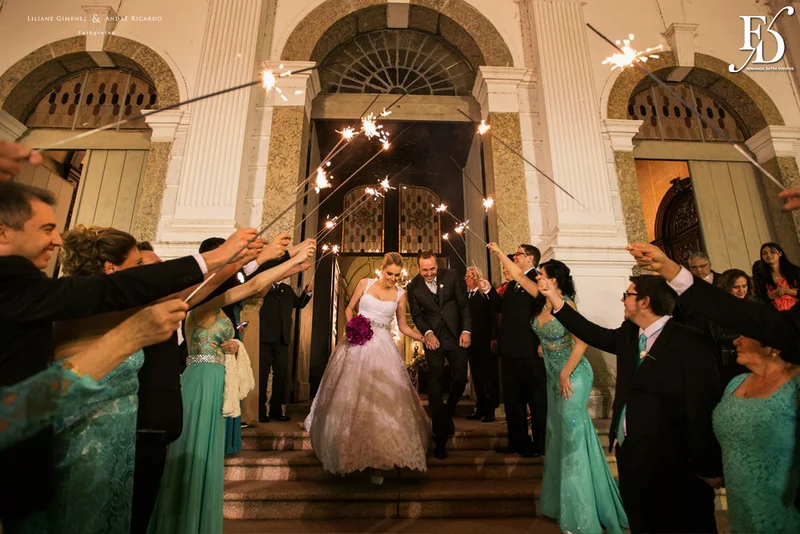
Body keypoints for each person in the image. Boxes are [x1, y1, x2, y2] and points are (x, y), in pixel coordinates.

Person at [0, 180, 262, 529]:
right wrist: (129, 336)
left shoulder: (34, 292)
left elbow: (134, 289)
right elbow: (18, 407)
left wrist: (226, 261)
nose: (57, 239)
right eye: (47, 228)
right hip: (80, 445)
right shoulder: (22, 291)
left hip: (113, 443)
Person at [148, 235, 313, 534]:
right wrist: (283, 257)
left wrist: (289, 265)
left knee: (209, 454)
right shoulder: (200, 302)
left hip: (214, 379)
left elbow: (252, 286)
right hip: (201, 383)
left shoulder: (213, 303)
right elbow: (248, 284)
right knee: (194, 453)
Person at [546, 273, 722, 533]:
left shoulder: (689, 341)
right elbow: (593, 334)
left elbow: (701, 404)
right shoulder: (630, 333)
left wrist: (708, 464)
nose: (622, 299)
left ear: (644, 301)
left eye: (628, 295)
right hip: (631, 453)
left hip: (672, 457)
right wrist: (554, 299)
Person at [486, 246, 628, 533]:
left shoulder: (567, 304)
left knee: (572, 436)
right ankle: (564, 500)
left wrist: (564, 371)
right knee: (559, 437)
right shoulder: (542, 300)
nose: (537, 278)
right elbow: (517, 274)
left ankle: (583, 511)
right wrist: (499, 252)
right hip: (553, 375)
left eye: (542, 275)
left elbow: (582, 341)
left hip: (572, 375)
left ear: (555, 280)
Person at [304, 252, 430, 483]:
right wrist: (353, 324)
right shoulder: (365, 283)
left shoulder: (401, 294)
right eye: (389, 273)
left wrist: (423, 338)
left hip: (382, 344)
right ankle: (346, 454)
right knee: (350, 396)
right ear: (382, 269)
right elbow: (349, 308)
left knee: (382, 400)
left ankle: (379, 460)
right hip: (356, 341)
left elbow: (402, 326)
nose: (392, 278)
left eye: (396, 275)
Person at [0, 299, 187, 453]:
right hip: (83, 434)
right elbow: (17, 412)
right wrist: (129, 336)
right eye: (138, 262)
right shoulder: (71, 315)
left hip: (122, 434)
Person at [712, 336, 800, 533]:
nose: (735, 341)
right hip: (740, 505)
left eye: (745, 335)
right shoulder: (736, 382)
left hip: (784, 506)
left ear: (771, 345)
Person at [482, 244, 546, 458]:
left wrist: (542, 341)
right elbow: (501, 307)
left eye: (518, 254)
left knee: (536, 400)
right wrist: (489, 290)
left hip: (529, 350)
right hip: (509, 351)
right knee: (512, 401)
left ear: (530, 258)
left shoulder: (537, 280)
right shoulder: (512, 285)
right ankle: (517, 441)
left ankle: (539, 443)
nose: (514, 257)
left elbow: (543, 312)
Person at [406, 250, 471, 459]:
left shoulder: (452, 276)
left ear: (437, 264)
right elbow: (417, 315)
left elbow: (463, 306)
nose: (428, 273)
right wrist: (427, 333)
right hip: (434, 340)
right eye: (424, 269)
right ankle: (439, 439)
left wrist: (466, 330)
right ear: (418, 267)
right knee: (435, 385)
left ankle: (445, 413)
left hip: (457, 336)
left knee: (460, 378)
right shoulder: (413, 287)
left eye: (432, 268)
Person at [258, 273, 313, 422]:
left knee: (281, 376)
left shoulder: (287, 289)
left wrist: (307, 292)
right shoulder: (263, 286)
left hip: (282, 340)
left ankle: (276, 411)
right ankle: (260, 412)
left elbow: (299, 304)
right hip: (264, 338)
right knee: (262, 375)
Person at [710, 269, 757, 387]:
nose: (742, 291)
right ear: (727, 287)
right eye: (736, 287)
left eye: (744, 286)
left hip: (756, 357)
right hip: (734, 359)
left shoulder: (753, 303)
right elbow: (719, 336)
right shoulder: (717, 308)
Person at [464, 266, 498, 423]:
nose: (467, 278)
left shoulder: (484, 294)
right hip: (472, 341)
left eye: (471, 276)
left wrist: (493, 337)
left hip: (485, 340)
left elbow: (493, 316)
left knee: (487, 376)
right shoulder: (466, 296)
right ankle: (481, 407)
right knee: (476, 375)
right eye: (467, 276)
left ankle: (490, 410)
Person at [673, 251, 719, 334]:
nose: (699, 270)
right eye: (694, 267)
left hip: (723, 330)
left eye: (702, 266)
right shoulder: (683, 285)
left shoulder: (723, 280)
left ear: (709, 265)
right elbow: (679, 313)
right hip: (698, 332)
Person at [753, 242, 799, 311]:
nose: (768, 255)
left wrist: (787, 291)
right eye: (765, 253)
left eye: (772, 252)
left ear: (780, 253)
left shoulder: (794, 270)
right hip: (775, 314)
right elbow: (761, 299)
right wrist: (775, 294)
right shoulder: (761, 276)